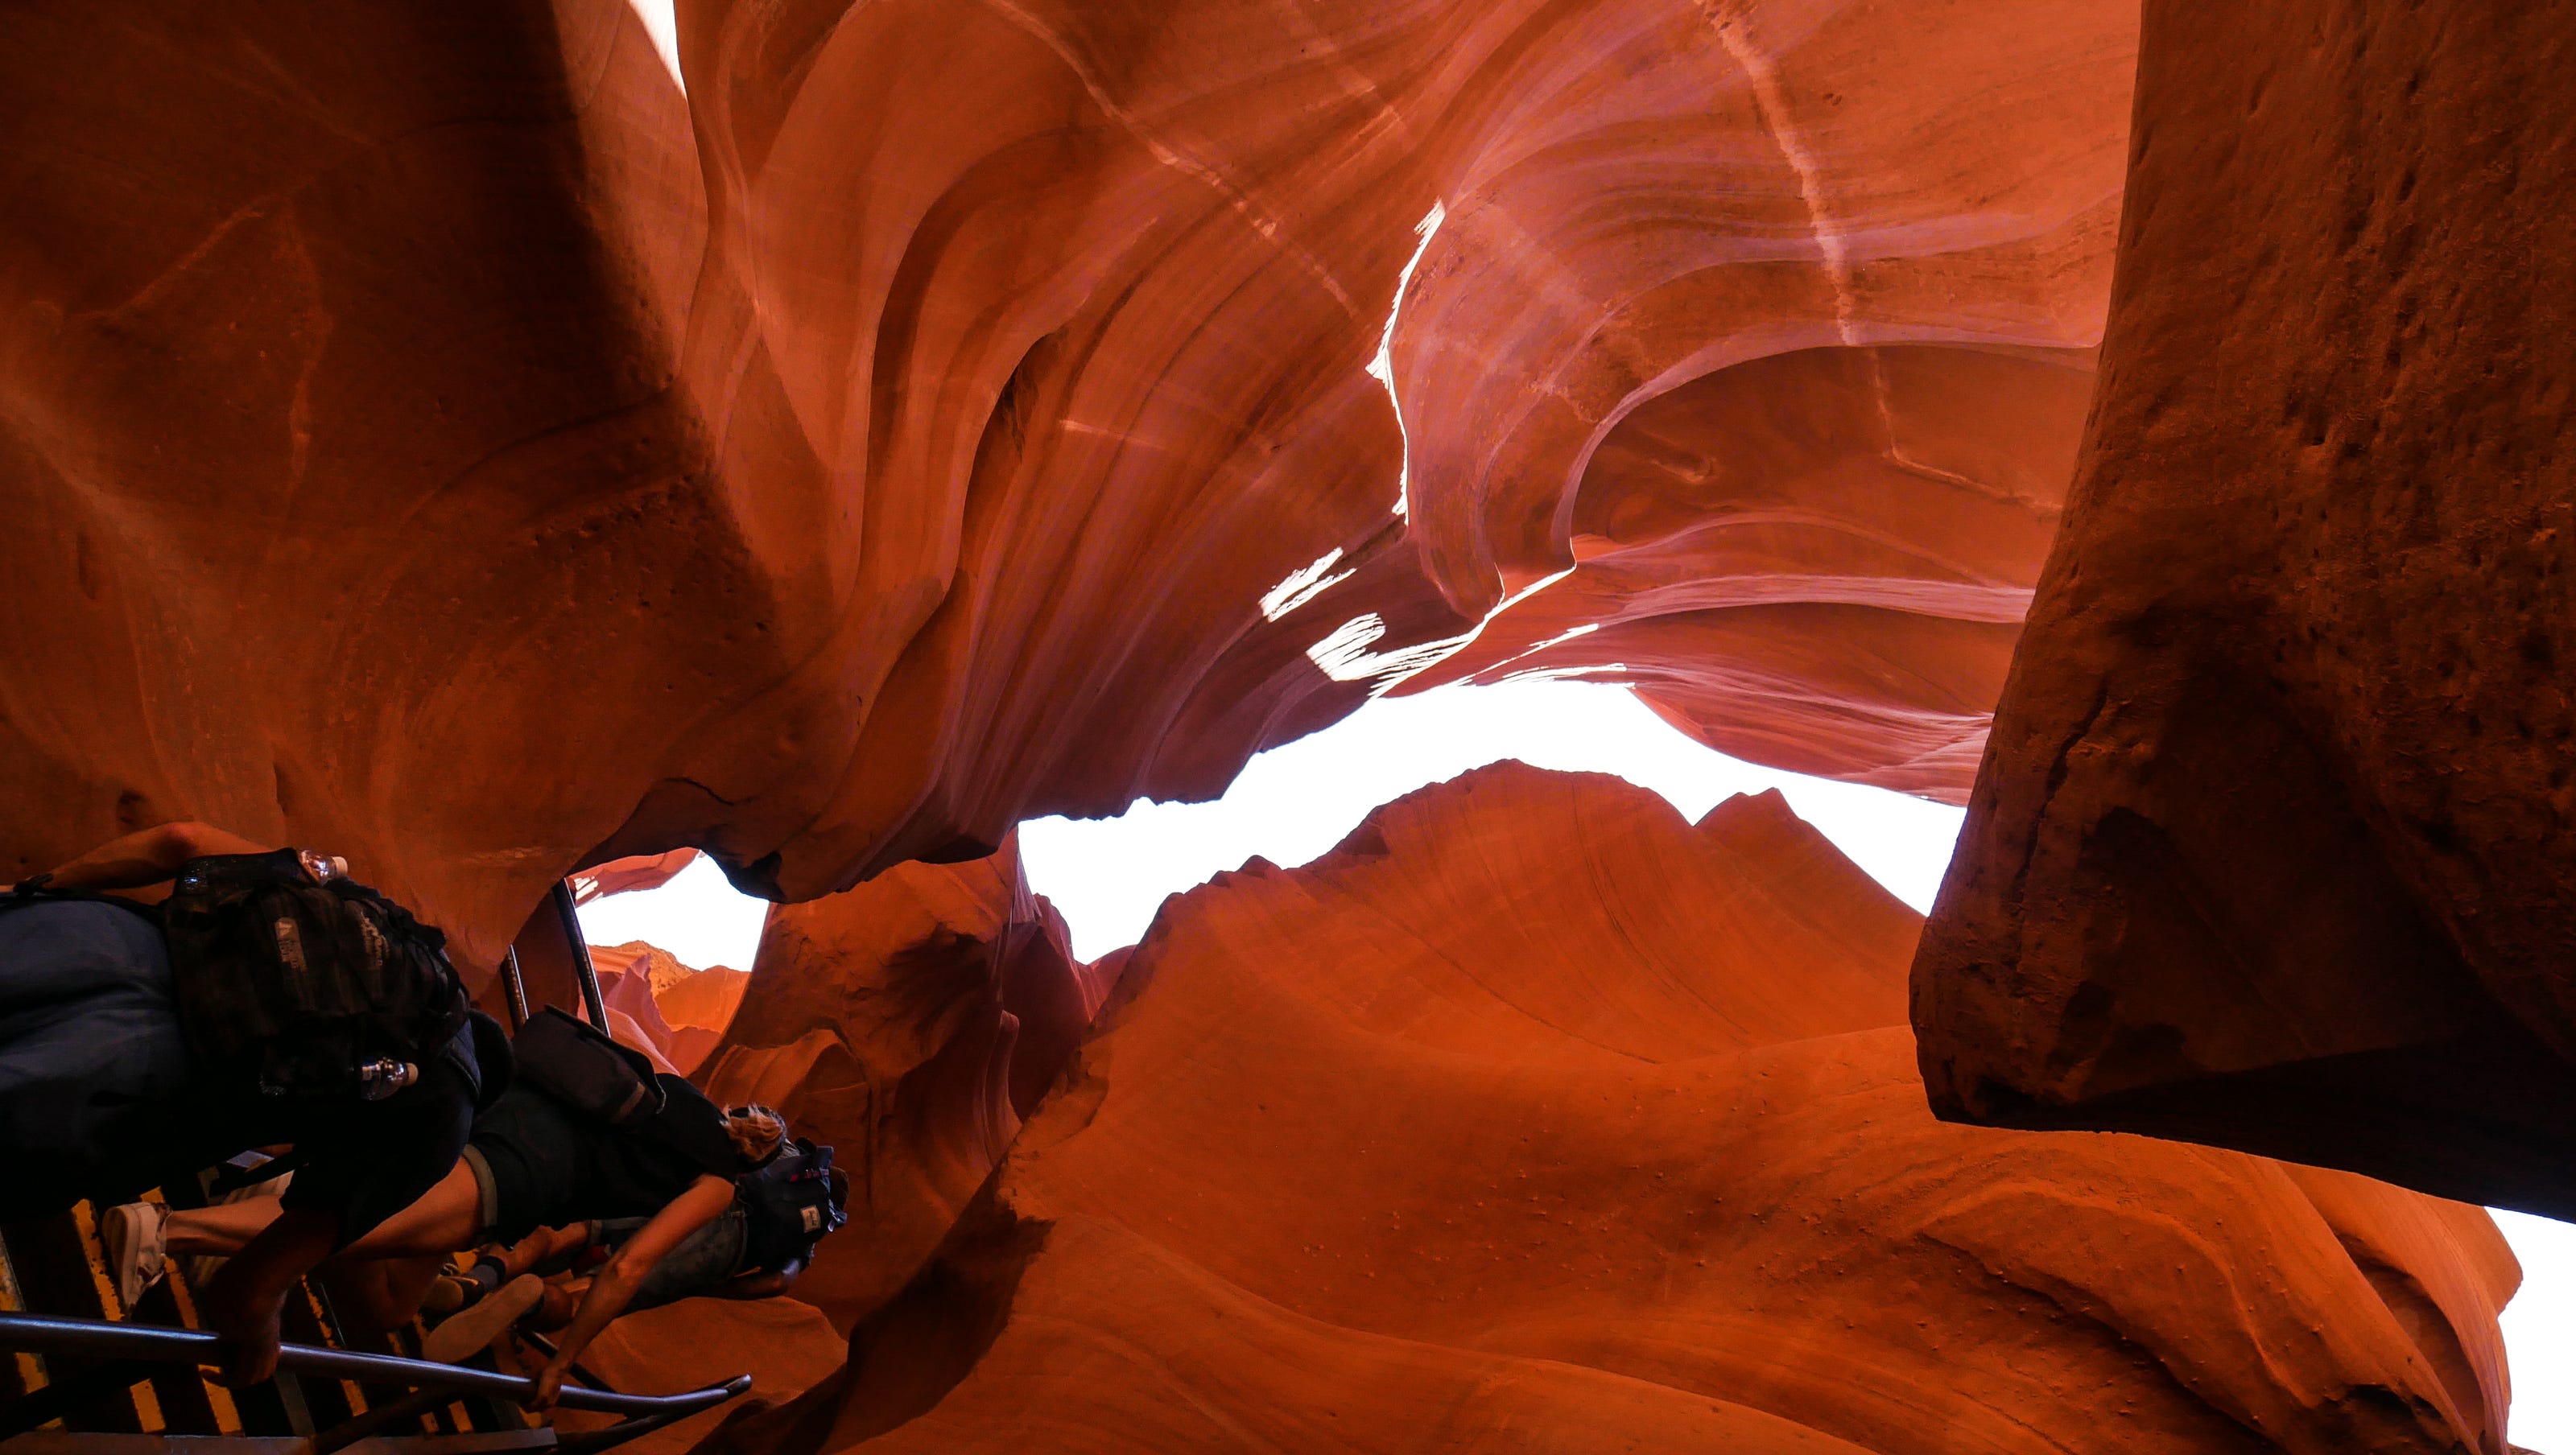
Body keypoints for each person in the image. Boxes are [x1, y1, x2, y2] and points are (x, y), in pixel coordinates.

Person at [2, 822, 502, 1387]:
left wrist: (35, 888)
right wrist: (259, 1345)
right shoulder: (440, 1121)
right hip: (108, 1082)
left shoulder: (381, 920)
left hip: (77, 939)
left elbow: (182, 840)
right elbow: (250, 1289)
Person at [130, 1071, 803, 1408]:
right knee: (353, 1220)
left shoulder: (681, 1098)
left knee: (390, 1306)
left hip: (492, 1116)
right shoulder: (719, 1181)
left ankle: (451, 1284)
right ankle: (169, 1231)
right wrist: (563, 1363)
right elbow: (629, 1270)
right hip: (510, 1174)